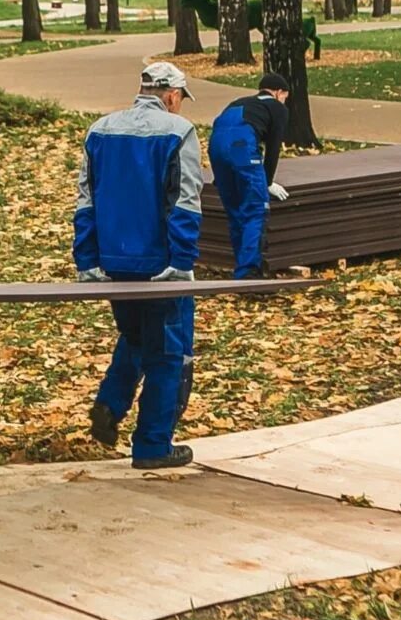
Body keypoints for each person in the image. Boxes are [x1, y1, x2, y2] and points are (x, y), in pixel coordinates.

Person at [74, 61, 203, 469]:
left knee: (134, 338)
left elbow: (86, 200)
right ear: (170, 95)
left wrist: (88, 259)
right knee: (169, 353)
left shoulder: (100, 130)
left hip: (114, 262)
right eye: (180, 98)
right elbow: (185, 201)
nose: (179, 105)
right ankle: (152, 445)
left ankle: (110, 404)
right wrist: (182, 261)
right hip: (161, 263)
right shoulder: (179, 133)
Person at [208, 72, 291, 278]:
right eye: (285, 97)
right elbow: (273, 147)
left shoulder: (239, 102)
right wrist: (268, 182)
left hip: (216, 148)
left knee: (235, 211)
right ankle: (248, 272)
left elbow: (222, 131)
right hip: (242, 147)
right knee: (255, 210)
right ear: (279, 93)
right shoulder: (277, 107)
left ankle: (242, 264)